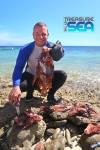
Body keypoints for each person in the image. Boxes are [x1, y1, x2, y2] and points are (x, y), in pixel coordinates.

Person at [8, 22, 67, 105]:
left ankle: (50, 96)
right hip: (30, 76)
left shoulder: (51, 46)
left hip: (45, 78)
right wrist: (16, 86)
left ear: (48, 35)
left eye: (43, 34)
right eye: (37, 34)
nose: (40, 37)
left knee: (62, 75)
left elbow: (59, 56)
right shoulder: (25, 49)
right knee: (19, 86)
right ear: (33, 34)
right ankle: (29, 94)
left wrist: (59, 50)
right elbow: (19, 67)